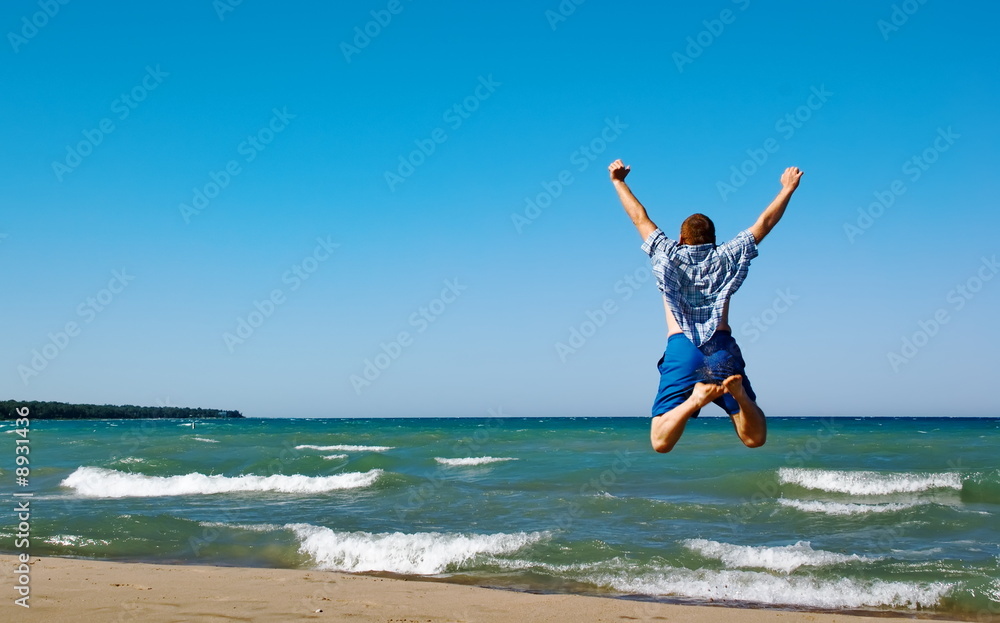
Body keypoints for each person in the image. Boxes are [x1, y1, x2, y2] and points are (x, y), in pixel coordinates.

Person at [608, 159, 803, 452]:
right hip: (719, 349)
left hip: (681, 348)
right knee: (754, 438)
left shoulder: (667, 252)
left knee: (660, 442)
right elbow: (765, 223)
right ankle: (739, 396)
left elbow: (639, 218)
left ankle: (694, 401)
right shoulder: (727, 254)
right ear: (713, 239)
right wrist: (788, 188)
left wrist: (619, 182)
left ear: (681, 238)